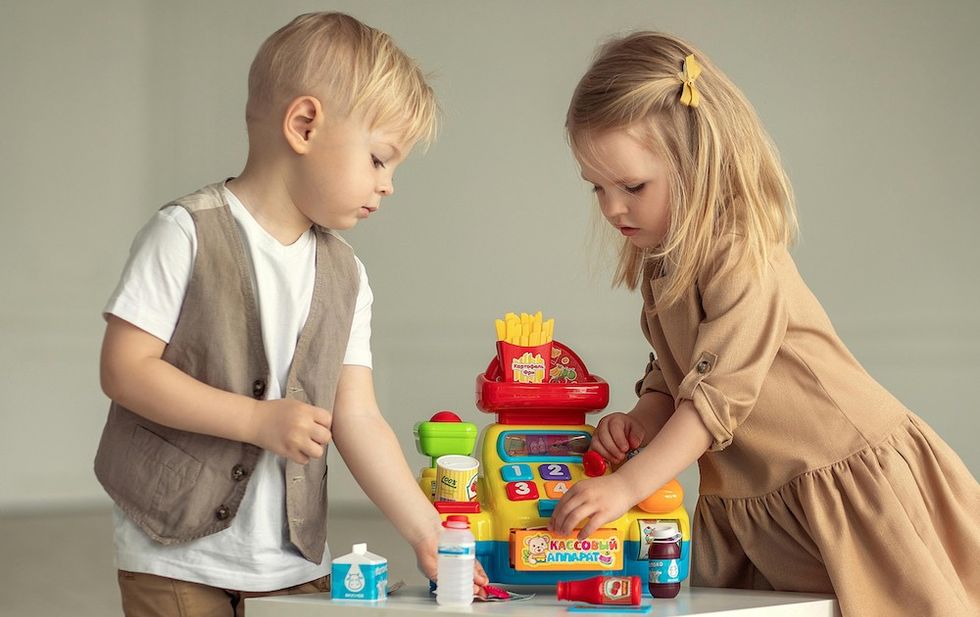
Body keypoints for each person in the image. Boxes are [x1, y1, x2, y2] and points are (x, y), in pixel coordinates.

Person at [547, 31, 979, 617]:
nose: (611, 208)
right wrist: (642, 419)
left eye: (632, 186)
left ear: (694, 164)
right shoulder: (664, 260)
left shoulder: (738, 251)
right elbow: (676, 371)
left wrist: (629, 485)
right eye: (596, 188)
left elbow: (716, 395)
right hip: (759, 493)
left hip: (837, 475)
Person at [94, 12, 485, 616]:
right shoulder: (185, 233)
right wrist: (255, 420)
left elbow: (358, 417)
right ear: (303, 125)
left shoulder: (346, 275)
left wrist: (426, 530)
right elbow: (126, 371)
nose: (388, 186)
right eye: (380, 159)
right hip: (173, 553)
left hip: (291, 560)